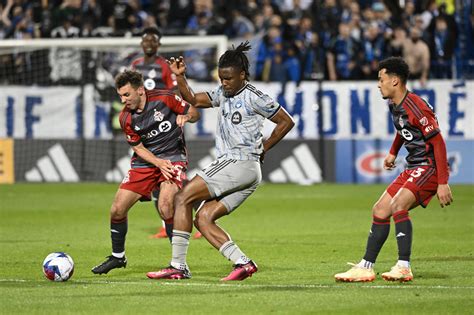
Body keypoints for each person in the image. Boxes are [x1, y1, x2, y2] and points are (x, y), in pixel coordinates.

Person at [146, 42, 295, 281]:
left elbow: (286, 121)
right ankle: (243, 263)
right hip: (246, 171)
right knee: (203, 219)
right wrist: (180, 77)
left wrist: (265, 147)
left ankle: (178, 266)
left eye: (228, 78)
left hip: (238, 162)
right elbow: (193, 98)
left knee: (182, 198)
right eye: (221, 78)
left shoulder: (255, 97)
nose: (224, 83)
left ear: (242, 75)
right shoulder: (223, 93)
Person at [334, 57, 453, 282]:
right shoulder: (396, 106)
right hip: (414, 166)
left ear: (395, 81)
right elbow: (402, 129)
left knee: (399, 204)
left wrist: (442, 182)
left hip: (429, 167)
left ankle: (403, 266)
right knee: (380, 209)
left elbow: (438, 142)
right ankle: (365, 267)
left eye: (381, 79)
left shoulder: (416, 107)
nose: (379, 84)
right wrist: (393, 152)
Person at [91, 70, 200, 274]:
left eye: (126, 95)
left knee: (166, 206)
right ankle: (118, 257)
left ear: (140, 90)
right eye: (120, 96)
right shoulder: (125, 118)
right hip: (146, 163)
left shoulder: (165, 98)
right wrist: (158, 163)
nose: (123, 100)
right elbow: (139, 148)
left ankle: (179, 265)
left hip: (173, 157)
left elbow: (195, 112)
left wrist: (187, 116)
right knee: (117, 209)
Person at [130, 26, 201, 240]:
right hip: (145, 127)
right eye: (145, 40)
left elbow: (176, 92)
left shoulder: (164, 65)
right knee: (155, 179)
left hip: (164, 124)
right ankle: (165, 224)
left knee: (174, 178)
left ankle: (198, 217)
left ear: (158, 44)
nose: (148, 44)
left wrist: (177, 114)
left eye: (152, 40)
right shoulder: (135, 65)